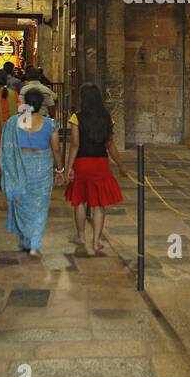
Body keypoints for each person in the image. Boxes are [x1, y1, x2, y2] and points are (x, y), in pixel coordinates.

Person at [63, 82, 130, 256]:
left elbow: (75, 144)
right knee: (99, 203)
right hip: (100, 163)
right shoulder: (108, 118)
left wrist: (68, 168)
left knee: (79, 201)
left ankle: (81, 237)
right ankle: (96, 241)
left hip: (82, 163)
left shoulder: (76, 118)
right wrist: (120, 164)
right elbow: (110, 144)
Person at [0, 88, 62, 258]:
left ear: (24, 102)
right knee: (40, 206)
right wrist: (60, 169)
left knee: (22, 202)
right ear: (42, 104)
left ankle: (24, 240)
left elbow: (7, 147)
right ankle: (34, 244)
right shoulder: (49, 123)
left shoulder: (15, 122)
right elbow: (56, 149)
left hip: (20, 167)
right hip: (42, 169)